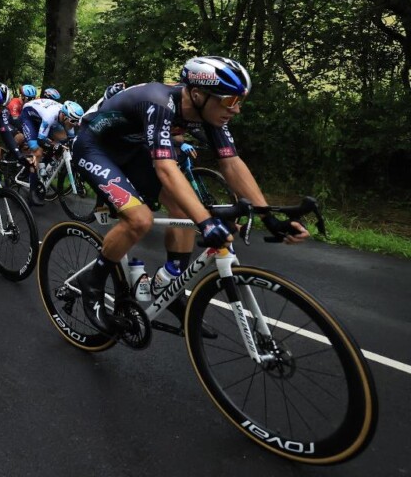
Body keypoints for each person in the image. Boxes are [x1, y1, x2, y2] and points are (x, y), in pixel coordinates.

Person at [71, 56, 309, 334]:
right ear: (197, 94)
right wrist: (206, 223)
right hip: (94, 146)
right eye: (230, 101)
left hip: (133, 149)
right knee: (139, 220)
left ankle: (171, 289)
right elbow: (165, 169)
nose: (237, 110)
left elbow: (231, 163)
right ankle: (93, 280)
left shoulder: (209, 112)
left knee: (183, 210)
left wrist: (268, 216)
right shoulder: (160, 103)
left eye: (239, 101)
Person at [19, 97, 84, 205]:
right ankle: (32, 191)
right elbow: (41, 140)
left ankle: (46, 162)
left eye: (77, 122)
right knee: (37, 151)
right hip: (28, 116)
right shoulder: (50, 116)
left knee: (63, 140)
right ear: (63, 116)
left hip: (44, 117)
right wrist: (55, 146)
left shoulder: (68, 119)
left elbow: (71, 140)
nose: (74, 124)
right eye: (72, 121)